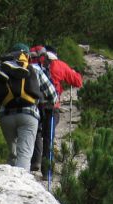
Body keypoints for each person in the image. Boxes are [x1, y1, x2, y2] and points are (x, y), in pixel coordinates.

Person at [0, 43, 57, 170]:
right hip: (29, 115)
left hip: (6, 117)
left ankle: (9, 183)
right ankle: (20, 187)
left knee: (14, 153)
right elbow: (53, 95)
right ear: (27, 56)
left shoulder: (0, 69)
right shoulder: (35, 69)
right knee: (24, 154)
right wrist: (47, 102)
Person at [30, 45, 83, 177]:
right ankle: (47, 171)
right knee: (49, 137)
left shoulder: (33, 63)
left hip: (34, 105)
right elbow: (78, 82)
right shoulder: (60, 65)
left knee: (36, 132)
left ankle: (35, 161)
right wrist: (74, 72)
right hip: (52, 106)